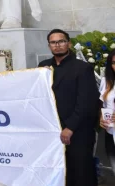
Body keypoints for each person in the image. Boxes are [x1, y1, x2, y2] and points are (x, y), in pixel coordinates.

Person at [38, 29, 99, 186]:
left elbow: (86, 102)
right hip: (53, 129)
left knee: (81, 172)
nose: (57, 45)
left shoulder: (82, 68)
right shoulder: (43, 67)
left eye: (61, 41)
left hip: (78, 130)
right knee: (59, 171)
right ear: (49, 45)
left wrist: (70, 127)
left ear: (68, 43)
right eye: (53, 42)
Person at [100, 51, 115, 174]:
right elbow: (102, 104)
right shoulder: (106, 81)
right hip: (110, 132)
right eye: (114, 63)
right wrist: (101, 118)